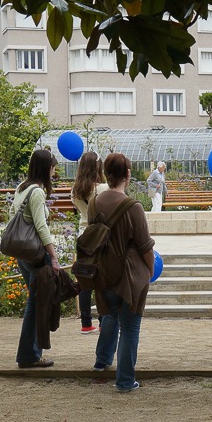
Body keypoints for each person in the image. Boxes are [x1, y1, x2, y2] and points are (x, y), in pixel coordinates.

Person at [92, 153, 155, 393]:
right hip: (129, 274)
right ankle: (126, 380)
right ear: (127, 175)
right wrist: (149, 271)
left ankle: (102, 360)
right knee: (130, 327)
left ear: (106, 174)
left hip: (104, 271)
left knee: (110, 316)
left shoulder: (95, 203)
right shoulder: (133, 206)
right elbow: (145, 246)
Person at [13, 150, 62, 368]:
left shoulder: (22, 188)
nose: (54, 172)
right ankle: (29, 354)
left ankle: (31, 352)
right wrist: (53, 255)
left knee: (34, 300)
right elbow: (41, 227)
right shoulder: (37, 193)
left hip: (22, 252)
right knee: (35, 303)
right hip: (35, 253)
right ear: (45, 168)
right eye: (52, 168)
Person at [71, 151, 108, 335]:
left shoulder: (75, 190)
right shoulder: (101, 189)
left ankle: (86, 322)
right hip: (98, 236)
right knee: (101, 279)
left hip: (83, 235)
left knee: (84, 278)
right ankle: (103, 320)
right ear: (97, 167)